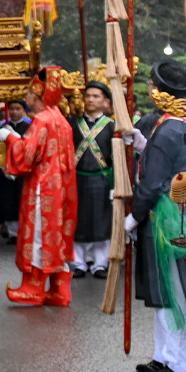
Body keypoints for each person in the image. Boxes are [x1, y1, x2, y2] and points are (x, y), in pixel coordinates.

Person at [132, 61, 186, 372]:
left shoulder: (168, 128)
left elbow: (153, 181)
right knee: (165, 289)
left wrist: (134, 215)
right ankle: (165, 355)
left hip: (166, 216)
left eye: (152, 85)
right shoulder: (178, 125)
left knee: (174, 291)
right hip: (180, 212)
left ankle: (183, 364)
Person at [0, 69, 79, 306]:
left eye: (30, 93)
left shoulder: (42, 119)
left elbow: (26, 155)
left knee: (40, 235)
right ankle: (59, 288)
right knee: (58, 234)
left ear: (37, 95)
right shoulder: (60, 118)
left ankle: (33, 287)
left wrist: (9, 138)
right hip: (62, 186)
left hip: (44, 186)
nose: (27, 97)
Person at [72, 81, 116, 278]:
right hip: (76, 178)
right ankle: (79, 263)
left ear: (105, 101)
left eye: (96, 96)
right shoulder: (73, 123)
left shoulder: (112, 126)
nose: (90, 99)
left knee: (101, 221)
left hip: (101, 179)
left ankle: (100, 263)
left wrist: (115, 185)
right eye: (88, 95)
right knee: (78, 220)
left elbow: (116, 160)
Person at [0, 97, 30, 242]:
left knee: (22, 198)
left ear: (24, 111)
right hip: (6, 169)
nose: (14, 112)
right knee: (8, 199)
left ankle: (24, 231)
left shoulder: (30, 127)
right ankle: (13, 231)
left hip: (23, 170)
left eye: (18, 109)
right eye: (12, 109)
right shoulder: (2, 127)